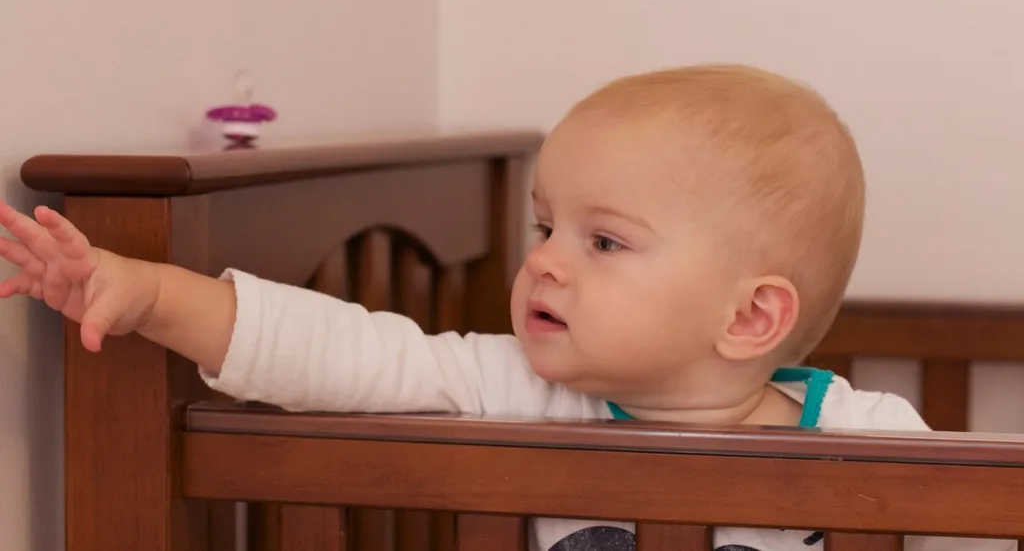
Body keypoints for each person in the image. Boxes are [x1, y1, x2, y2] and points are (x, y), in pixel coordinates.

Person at [0, 64, 1009, 550]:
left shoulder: (877, 443)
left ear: (748, 319)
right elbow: (337, 352)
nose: (545, 266)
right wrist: (146, 293)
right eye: (542, 228)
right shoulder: (522, 390)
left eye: (602, 241)